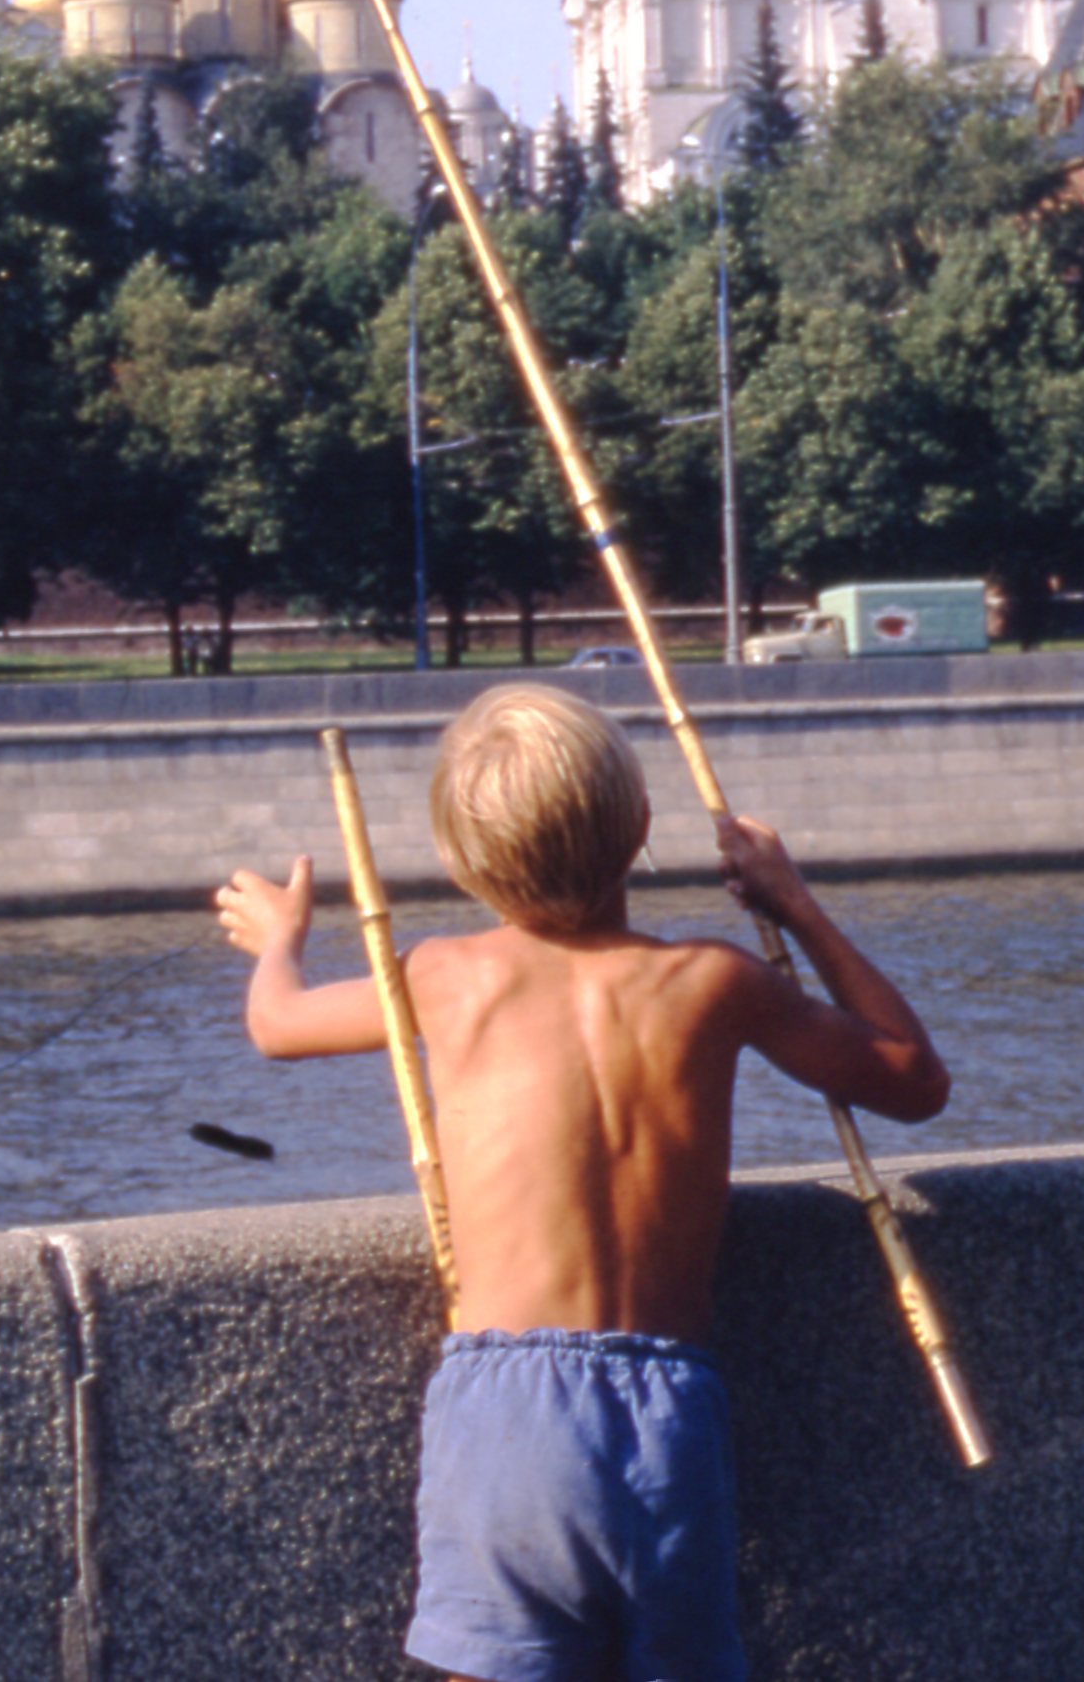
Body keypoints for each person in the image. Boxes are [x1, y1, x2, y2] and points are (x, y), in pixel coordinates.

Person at [213, 681, 948, 1682]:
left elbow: (277, 1024)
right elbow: (912, 1078)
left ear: (457, 861)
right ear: (640, 827)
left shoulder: (444, 974)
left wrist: (279, 941)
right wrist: (795, 903)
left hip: (504, 1405)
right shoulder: (714, 981)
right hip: (668, 1408)